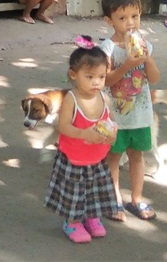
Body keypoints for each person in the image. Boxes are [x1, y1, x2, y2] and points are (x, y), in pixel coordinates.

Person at [44, 37, 119, 243]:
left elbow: (111, 120)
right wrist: (84, 134)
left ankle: (92, 217)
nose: (97, 82)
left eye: (101, 77)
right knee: (74, 194)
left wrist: (112, 133)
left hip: (97, 157)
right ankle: (72, 221)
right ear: (73, 75)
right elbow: (63, 126)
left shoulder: (104, 97)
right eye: (90, 76)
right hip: (74, 159)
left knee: (95, 191)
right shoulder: (72, 99)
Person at [100, 0, 160, 221]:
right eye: (122, 18)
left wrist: (147, 59)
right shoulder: (107, 47)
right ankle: (114, 199)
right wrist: (127, 65)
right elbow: (106, 80)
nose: (130, 23)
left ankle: (137, 198)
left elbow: (153, 79)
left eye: (134, 16)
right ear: (109, 21)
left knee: (137, 156)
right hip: (115, 116)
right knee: (113, 158)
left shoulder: (146, 45)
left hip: (140, 115)